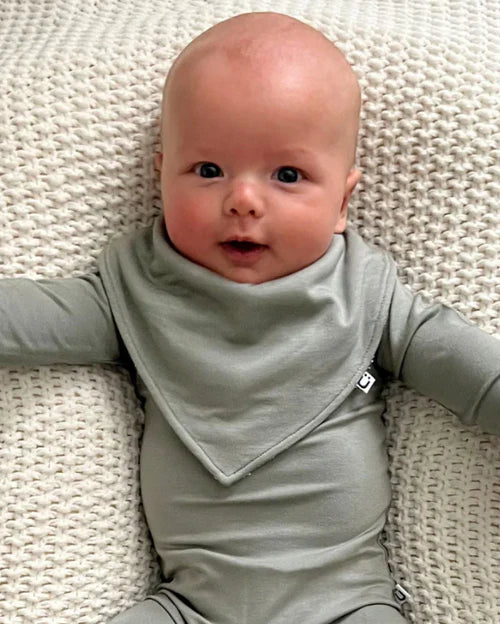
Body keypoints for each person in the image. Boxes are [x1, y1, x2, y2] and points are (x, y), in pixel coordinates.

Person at [0, 11, 498, 624]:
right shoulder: (134, 292)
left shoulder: (365, 297)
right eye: (208, 171)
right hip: (188, 605)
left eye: (287, 175)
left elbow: (474, 372)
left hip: (345, 602)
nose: (242, 200)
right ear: (161, 178)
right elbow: (26, 319)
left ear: (342, 202)